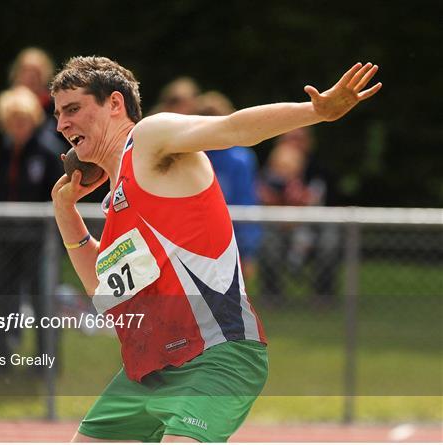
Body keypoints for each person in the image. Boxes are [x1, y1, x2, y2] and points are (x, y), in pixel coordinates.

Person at [50, 57, 381, 442]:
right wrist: (64, 211)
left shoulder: (149, 138)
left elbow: (233, 128)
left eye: (73, 108)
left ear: (115, 104)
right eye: (58, 114)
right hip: (148, 370)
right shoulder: (116, 200)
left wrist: (315, 112)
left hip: (215, 356)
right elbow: (104, 292)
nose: (61, 124)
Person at [0, 86, 64, 374]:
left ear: (32, 119)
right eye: (12, 121)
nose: (18, 127)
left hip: (39, 240)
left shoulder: (48, 152)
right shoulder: (3, 152)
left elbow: (59, 197)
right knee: (1, 298)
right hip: (6, 238)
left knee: (42, 299)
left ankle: (47, 364)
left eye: (23, 120)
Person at [259, 128, 341, 307]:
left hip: (311, 225)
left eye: (299, 140)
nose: (295, 145)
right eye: (289, 139)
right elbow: (264, 202)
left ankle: (323, 296)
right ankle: (272, 296)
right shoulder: (269, 173)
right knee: (267, 241)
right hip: (278, 226)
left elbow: (317, 204)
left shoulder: (318, 171)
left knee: (330, 240)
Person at [198, 91, 263, 290]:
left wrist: (248, 251)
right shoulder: (193, 154)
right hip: (204, 235)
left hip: (229, 235)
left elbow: (246, 202)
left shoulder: (240, 158)